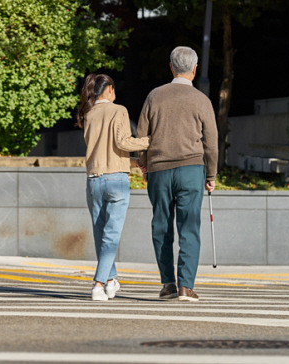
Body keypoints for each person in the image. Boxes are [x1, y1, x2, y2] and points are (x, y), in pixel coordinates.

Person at [136, 46, 218, 302]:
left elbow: (142, 135)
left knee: (161, 226)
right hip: (192, 170)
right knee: (189, 228)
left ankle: (168, 284)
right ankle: (186, 286)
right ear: (194, 70)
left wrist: (144, 164)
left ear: (171, 67)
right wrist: (211, 174)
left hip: (159, 169)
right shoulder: (201, 100)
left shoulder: (154, 96)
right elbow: (211, 142)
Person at [77, 74, 151, 301]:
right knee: (111, 235)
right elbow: (123, 142)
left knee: (101, 235)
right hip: (116, 178)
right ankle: (98, 284)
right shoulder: (118, 110)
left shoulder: (87, 114)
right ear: (108, 89)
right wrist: (150, 140)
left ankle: (111, 280)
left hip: (93, 179)